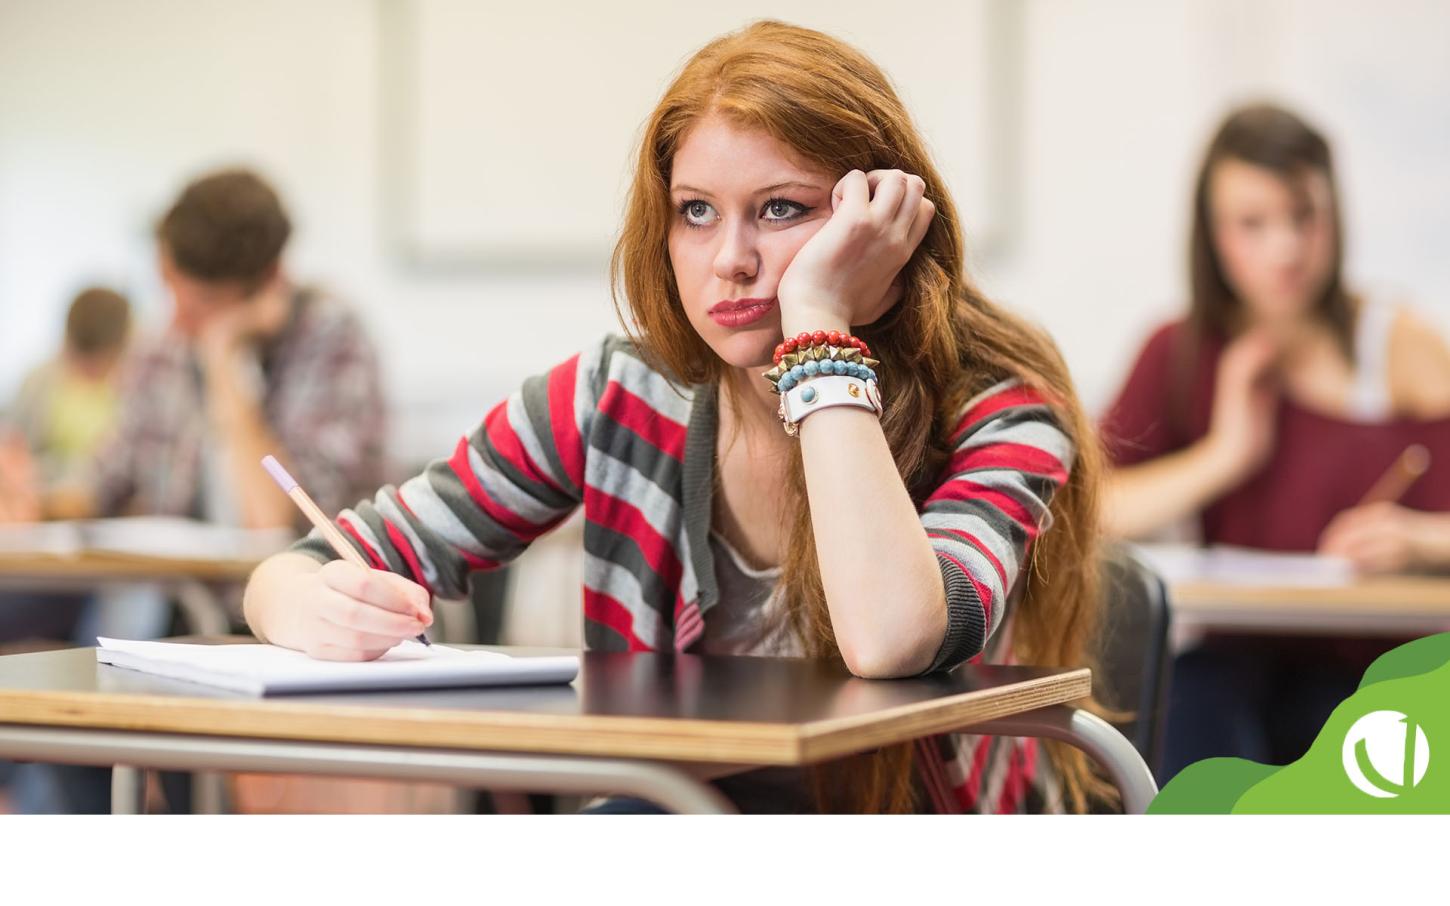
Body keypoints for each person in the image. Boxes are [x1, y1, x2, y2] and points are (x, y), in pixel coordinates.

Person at [244, 21, 1110, 815]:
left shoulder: (1002, 407)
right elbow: (321, 559)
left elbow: (892, 637)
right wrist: (295, 601)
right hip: (675, 815)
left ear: (880, 219)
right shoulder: (616, 395)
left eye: (782, 209)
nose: (731, 260)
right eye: (697, 211)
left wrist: (815, 320)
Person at [13, 168, 388, 814]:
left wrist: (224, 363)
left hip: (279, 624)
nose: (176, 316)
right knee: (55, 722)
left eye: (200, 304)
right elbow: (105, 481)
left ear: (266, 283)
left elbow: (272, 521)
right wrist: (36, 498)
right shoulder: (162, 348)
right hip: (163, 615)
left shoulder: (331, 338)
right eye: (169, 287)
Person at [1099, 103, 1450, 780]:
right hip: (1236, 665)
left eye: (1304, 216)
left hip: (1378, 671)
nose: (1285, 249)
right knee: (1193, 705)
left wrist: (1418, 540)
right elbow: (1092, 509)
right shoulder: (1180, 352)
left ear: (1334, 216)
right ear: (1212, 234)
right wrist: (1226, 455)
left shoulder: (1400, 344)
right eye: (1251, 225)